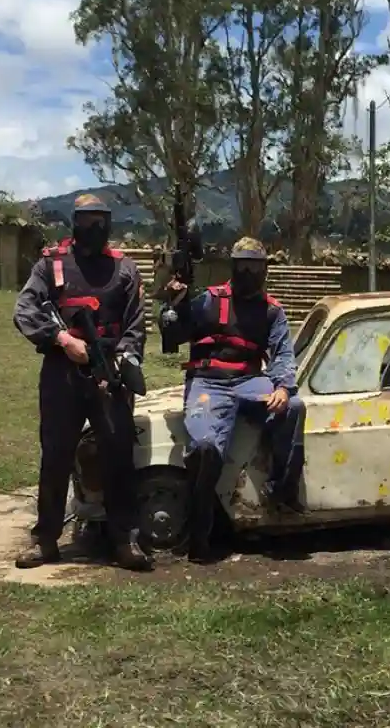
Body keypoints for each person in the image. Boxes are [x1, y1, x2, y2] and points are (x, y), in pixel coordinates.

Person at [12, 193, 153, 572]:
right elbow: (25, 309)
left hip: (108, 370)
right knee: (56, 455)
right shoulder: (51, 264)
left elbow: (135, 325)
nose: (95, 227)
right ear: (74, 222)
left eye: (101, 220)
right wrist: (63, 340)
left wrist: (123, 362)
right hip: (63, 371)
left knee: (118, 454)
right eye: (87, 220)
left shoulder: (125, 269)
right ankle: (45, 540)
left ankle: (124, 539)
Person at [162, 236, 307, 564]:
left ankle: (282, 491)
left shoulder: (272, 311)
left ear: (265, 269)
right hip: (208, 384)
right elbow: (177, 331)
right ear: (232, 266)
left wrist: (283, 388)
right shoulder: (210, 300)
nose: (248, 273)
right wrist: (175, 303)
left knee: (294, 408)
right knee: (205, 448)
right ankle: (200, 532)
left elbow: (283, 352)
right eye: (242, 265)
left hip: (250, 381)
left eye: (254, 266)